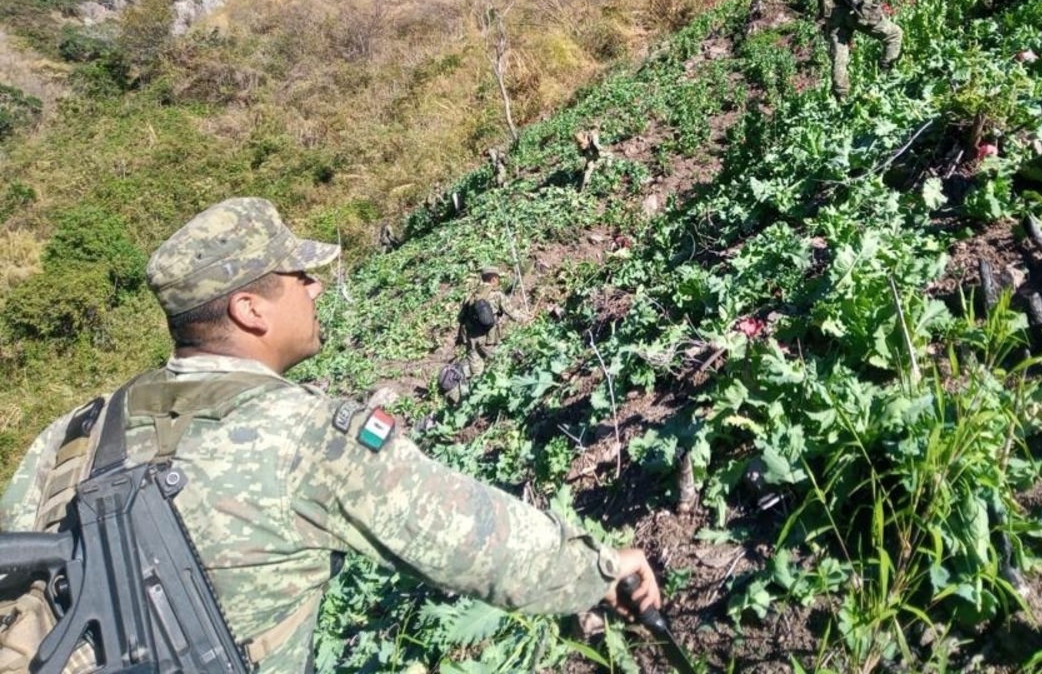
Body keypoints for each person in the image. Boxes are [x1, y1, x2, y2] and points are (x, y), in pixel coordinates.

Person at [0, 198, 658, 674]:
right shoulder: (305, 437)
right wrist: (599, 571)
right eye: (297, 277)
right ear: (250, 309)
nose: (314, 286)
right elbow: (481, 544)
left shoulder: (70, 434)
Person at [814, 0, 904, 100]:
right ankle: (887, 73)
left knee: (839, 56)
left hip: (836, 16)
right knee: (894, 35)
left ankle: (841, 97)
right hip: (859, 13)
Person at [452, 264, 523, 395]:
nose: (499, 281)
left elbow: (460, 318)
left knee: (476, 373)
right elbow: (513, 313)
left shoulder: (470, 295)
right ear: (493, 279)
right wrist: (526, 319)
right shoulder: (497, 295)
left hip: (471, 341)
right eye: (498, 278)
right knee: (502, 361)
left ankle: (477, 397)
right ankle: (505, 390)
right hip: (488, 340)